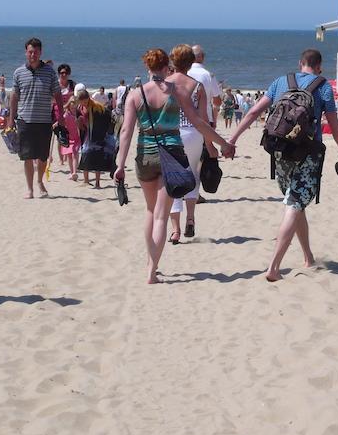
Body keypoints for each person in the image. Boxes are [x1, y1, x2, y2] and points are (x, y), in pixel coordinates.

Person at [230, 49, 338, 282]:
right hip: (308, 154)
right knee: (295, 203)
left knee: (295, 203)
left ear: (301, 64)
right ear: (319, 66)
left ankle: (308, 257)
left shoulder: (281, 82)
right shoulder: (323, 86)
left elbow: (256, 110)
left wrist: (233, 139)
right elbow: (335, 125)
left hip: (279, 152)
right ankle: (274, 267)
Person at [114, 48, 235, 284]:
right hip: (171, 154)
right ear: (164, 67)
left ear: (147, 68)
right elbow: (198, 122)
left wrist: (120, 165)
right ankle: (152, 270)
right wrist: (224, 143)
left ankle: (151, 265)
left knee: (150, 212)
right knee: (161, 216)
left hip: (145, 156)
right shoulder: (176, 91)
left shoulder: (135, 95)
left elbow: (127, 132)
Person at [166, 45, 215, 244]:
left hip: (172, 134)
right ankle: (191, 218)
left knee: (173, 179)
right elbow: (203, 119)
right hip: (194, 134)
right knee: (193, 174)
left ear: (173, 61)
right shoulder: (197, 86)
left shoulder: (166, 84)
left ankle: (176, 230)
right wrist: (210, 144)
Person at [5, 38, 64, 199]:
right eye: (30, 51)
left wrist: (61, 116)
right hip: (24, 120)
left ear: (40, 52)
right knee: (27, 156)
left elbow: (58, 95)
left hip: (44, 120)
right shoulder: (18, 72)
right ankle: (30, 188)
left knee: (43, 156)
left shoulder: (50, 72)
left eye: (36, 52)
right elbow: (14, 96)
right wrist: (11, 118)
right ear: (26, 52)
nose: (33, 54)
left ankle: (40, 181)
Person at [74, 88, 114, 189]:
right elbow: (78, 118)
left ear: (88, 98)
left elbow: (107, 117)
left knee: (98, 157)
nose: (83, 103)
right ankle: (86, 180)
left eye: (84, 101)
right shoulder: (79, 107)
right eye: (81, 101)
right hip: (86, 134)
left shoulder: (97, 107)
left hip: (97, 135)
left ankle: (97, 183)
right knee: (85, 155)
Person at [54, 65, 82, 179]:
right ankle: (61, 159)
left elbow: (77, 98)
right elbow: (52, 100)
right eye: (61, 73)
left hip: (71, 113)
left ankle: (69, 159)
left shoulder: (72, 85)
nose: (63, 75)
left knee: (71, 137)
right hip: (57, 112)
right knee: (60, 137)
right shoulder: (56, 85)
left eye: (65, 73)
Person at [190, 45, 222, 126]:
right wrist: (214, 120)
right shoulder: (209, 75)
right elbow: (217, 101)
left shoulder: (184, 73)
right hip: (206, 118)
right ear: (203, 57)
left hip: (186, 119)